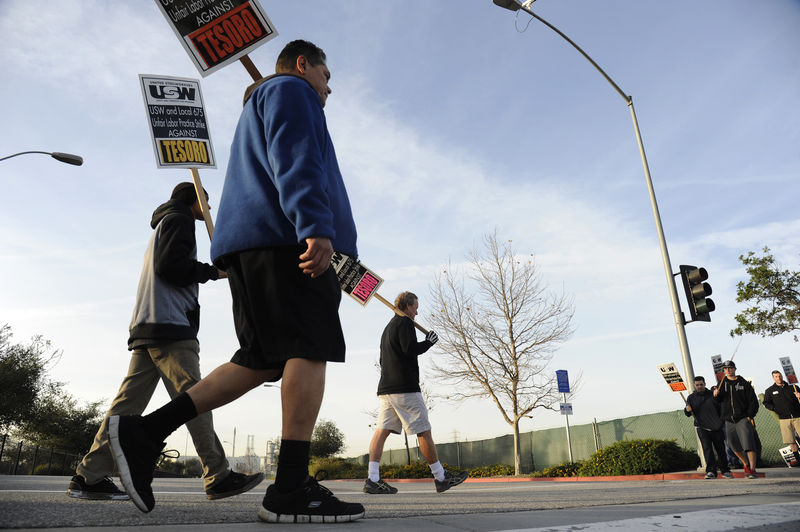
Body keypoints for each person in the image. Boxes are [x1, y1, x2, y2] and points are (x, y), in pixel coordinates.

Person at [106, 40, 364, 523]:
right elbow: (297, 154)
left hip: (254, 242)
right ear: (304, 65)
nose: (329, 90)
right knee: (309, 349)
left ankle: (142, 435)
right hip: (286, 240)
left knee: (262, 360)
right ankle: (289, 487)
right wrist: (316, 225)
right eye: (327, 78)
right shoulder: (290, 89)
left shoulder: (264, 101)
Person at [67, 182, 263, 501]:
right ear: (194, 200)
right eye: (206, 202)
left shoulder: (163, 224)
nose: (210, 209)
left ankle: (88, 476)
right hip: (170, 324)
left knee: (127, 405)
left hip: (148, 323)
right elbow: (171, 267)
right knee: (197, 398)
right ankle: (218, 474)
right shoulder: (180, 220)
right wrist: (214, 272)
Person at [363, 291, 468, 495]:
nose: (417, 313)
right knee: (423, 430)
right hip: (405, 388)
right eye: (415, 308)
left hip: (386, 389)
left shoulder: (388, 328)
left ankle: (372, 479)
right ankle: (440, 477)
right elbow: (410, 349)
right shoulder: (404, 323)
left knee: (381, 431)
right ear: (407, 305)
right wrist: (428, 342)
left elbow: (384, 360)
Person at [713, 360, 760, 479]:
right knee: (732, 445)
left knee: (748, 444)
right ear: (723, 370)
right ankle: (746, 463)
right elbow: (717, 401)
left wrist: (750, 415)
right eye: (726, 368)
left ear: (735, 369)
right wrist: (716, 394)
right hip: (728, 420)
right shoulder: (721, 383)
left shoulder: (743, 383)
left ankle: (752, 470)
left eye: (730, 368)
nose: (728, 370)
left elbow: (753, 401)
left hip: (743, 418)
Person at [683, 376, 733, 479]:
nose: (699, 386)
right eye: (697, 385)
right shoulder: (691, 398)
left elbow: (722, 408)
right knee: (707, 450)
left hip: (716, 426)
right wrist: (687, 410)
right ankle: (711, 472)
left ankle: (725, 470)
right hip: (701, 427)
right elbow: (688, 413)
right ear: (694, 385)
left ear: (705, 384)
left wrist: (720, 422)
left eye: (701, 384)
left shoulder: (713, 395)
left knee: (720, 449)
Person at [763, 370, 800, 466]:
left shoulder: (793, 387)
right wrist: (775, 409)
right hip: (784, 419)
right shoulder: (770, 390)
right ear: (773, 378)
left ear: (782, 376)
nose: (778, 378)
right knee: (790, 440)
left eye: (779, 376)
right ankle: (798, 459)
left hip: (797, 416)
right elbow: (766, 403)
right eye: (776, 376)